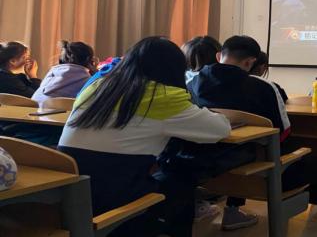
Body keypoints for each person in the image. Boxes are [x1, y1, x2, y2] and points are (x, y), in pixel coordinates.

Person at [58, 36, 231, 237]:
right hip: (113, 209)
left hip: (71, 202)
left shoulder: (97, 86)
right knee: (181, 177)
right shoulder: (163, 97)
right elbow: (221, 129)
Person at [188, 35, 317, 229]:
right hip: (261, 176)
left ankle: (233, 211)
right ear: (250, 62)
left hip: (204, 170)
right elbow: (282, 134)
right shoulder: (263, 88)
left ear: (219, 55)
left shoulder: (192, 84)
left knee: (247, 148)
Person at [180, 35, 224, 221]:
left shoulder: (177, 81)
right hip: (213, 149)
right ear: (218, 56)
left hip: (179, 150)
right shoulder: (221, 83)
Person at [32, 40, 97, 105]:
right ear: (89, 60)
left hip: (33, 109)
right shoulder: (89, 81)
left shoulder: (52, 74)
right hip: (61, 111)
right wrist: (96, 74)